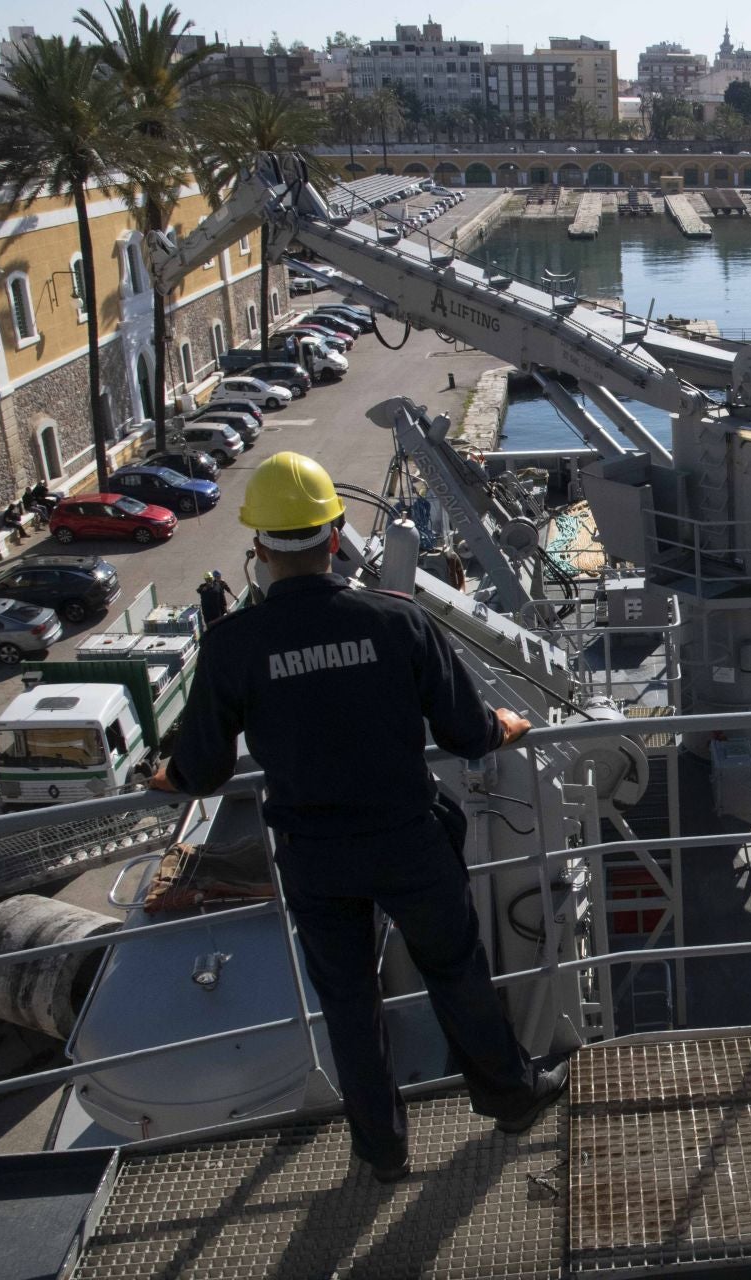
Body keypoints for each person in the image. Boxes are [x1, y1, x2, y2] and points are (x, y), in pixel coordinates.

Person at [149, 451, 566, 1183]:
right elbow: (468, 734)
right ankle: (510, 1096)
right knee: (456, 972)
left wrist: (168, 775)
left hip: (317, 856)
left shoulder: (233, 646)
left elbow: (204, 770)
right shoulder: (395, 620)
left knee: (347, 1002)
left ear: (258, 549)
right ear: (334, 536)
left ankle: (382, 1149)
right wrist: (503, 725)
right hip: (409, 839)